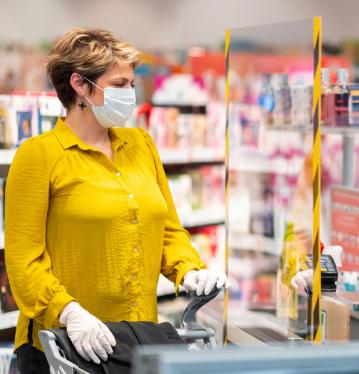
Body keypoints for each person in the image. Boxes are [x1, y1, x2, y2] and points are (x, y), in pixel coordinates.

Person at [5, 27, 230, 373]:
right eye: (119, 84)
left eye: (131, 83)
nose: (130, 93)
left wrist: (188, 270)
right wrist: (69, 311)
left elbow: (168, 230)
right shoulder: (39, 156)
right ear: (80, 85)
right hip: (63, 348)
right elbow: (24, 262)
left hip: (138, 340)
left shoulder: (140, 144)